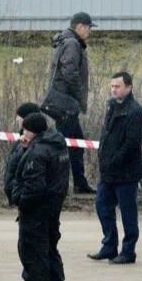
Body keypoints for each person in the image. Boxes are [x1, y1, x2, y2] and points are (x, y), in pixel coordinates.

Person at [10, 113, 70, 281]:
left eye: (25, 129)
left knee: (35, 254)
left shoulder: (37, 153)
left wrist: (18, 197)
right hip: (53, 208)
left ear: (33, 131)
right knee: (50, 251)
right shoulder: (57, 144)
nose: (23, 133)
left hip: (37, 211)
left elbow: (34, 188)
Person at [88, 71, 142, 265]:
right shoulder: (111, 106)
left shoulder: (135, 112)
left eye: (118, 86)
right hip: (108, 172)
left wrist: (114, 160)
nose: (114, 90)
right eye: (112, 86)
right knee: (102, 205)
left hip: (126, 172)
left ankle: (128, 251)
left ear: (128, 88)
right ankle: (109, 246)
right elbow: (106, 136)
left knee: (128, 213)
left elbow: (131, 144)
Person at [48, 11, 96, 194]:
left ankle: (79, 183)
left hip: (64, 103)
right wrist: (78, 95)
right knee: (64, 146)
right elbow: (70, 72)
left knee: (77, 144)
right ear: (81, 27)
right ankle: (59, 185)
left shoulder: (67, 41)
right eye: (89, 27)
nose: (90, 31)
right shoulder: (72, 44)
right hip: (66, 104)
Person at [3, 102, 36, 281]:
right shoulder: (24, 141)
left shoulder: (35, 145)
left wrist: (20, 195)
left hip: (30, 204)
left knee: (31, 249)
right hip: (21, 201)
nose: (17, 120)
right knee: (24, 248)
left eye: (20, 117)